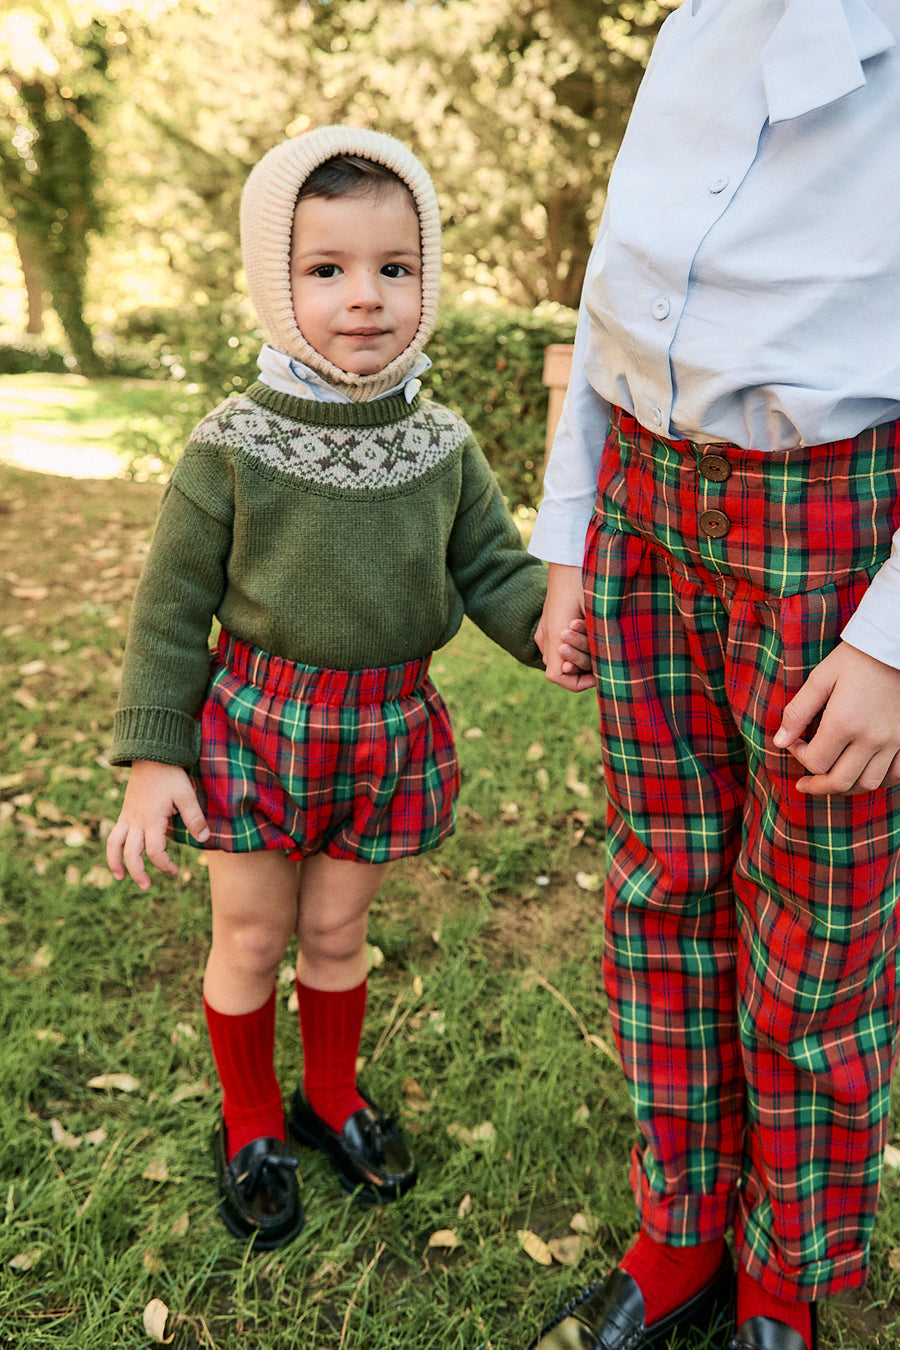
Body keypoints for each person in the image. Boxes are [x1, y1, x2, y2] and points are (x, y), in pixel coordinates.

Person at [106, 125, 588, 1251]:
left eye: (394, 267)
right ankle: (252, 1118)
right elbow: (171, 607)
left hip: (384, 727)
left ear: (427, 279)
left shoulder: (444, 444)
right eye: (326, 270)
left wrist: (551, 629)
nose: (364, 297)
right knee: (254, 934)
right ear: (278, 283)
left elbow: (492, 569)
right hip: (258, 724)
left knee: (335, 932)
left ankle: (329, 1093)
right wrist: (153, 754)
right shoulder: (230, 445)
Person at [528, 3, 900, 1349]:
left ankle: (781, 1270)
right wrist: (573, 536)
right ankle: (682, 1220)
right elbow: (612, 292)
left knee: (813, 936)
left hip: (836, 532)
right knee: (664, 881)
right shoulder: (693, 26)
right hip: (646, 505)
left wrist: (890, 639)